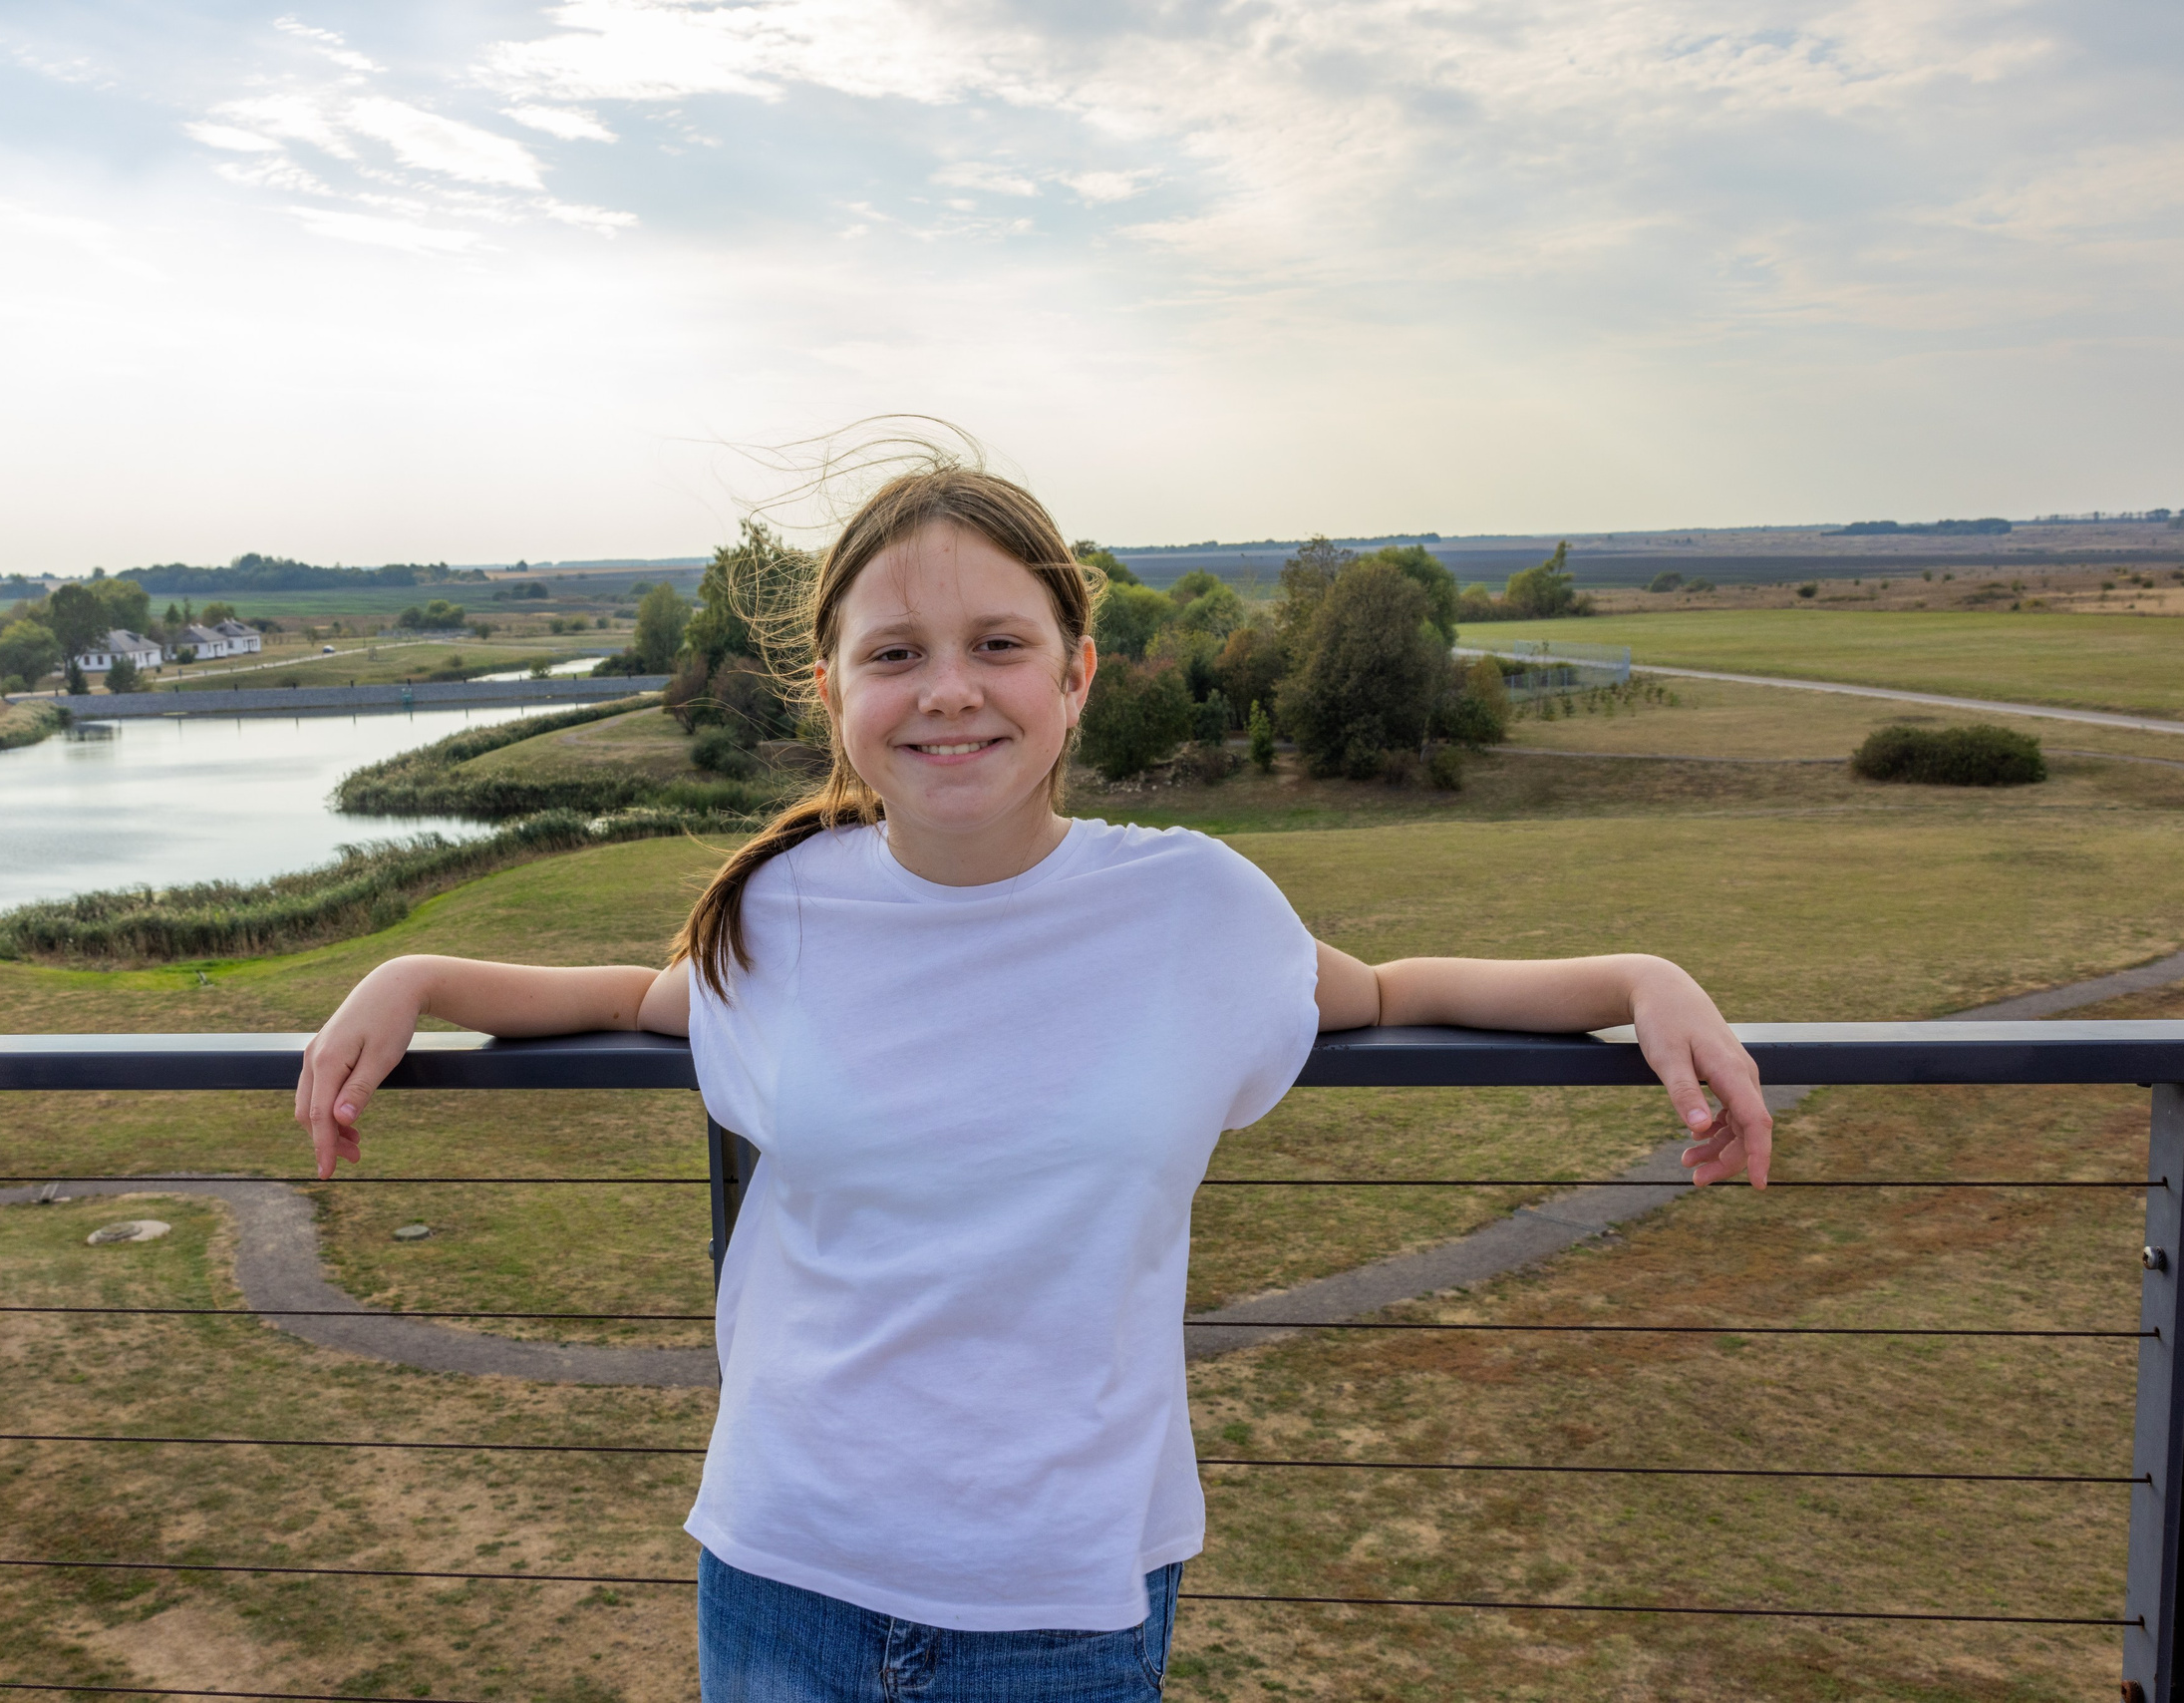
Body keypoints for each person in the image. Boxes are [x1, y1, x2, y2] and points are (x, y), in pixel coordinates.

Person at [295, 459, 1773, 1701]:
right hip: (777, 1573)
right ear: (832, 691)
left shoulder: (1196, 909)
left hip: (1062, 1602)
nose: (950, 693)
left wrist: (1640, 982)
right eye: (897, 654)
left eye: (999, 646)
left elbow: (1386, 992)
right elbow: (636, 1001)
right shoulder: (785, 908)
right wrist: (417, 980)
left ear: (1073, 675)